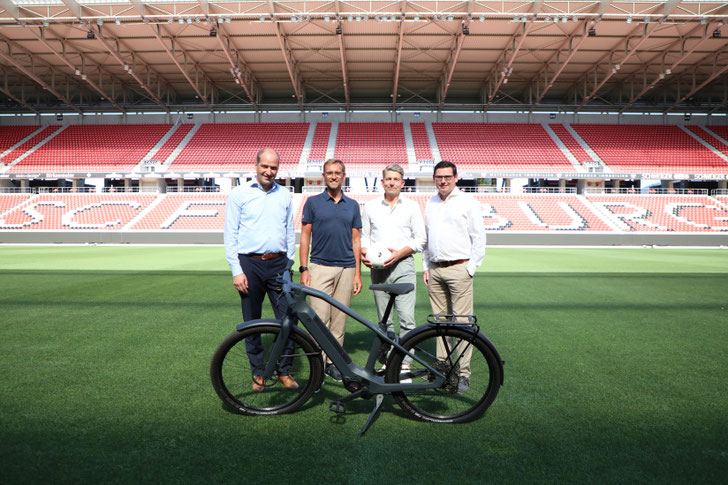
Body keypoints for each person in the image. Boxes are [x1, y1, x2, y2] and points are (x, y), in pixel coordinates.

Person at [224, 147, 298, 392]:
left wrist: (289, 262)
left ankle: (283, 370)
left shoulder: (285, 195)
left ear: (278, 169)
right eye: (264, 166)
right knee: (252, 321)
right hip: (250, 264)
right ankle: (258, 372)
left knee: (288, 319)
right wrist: (237, 269)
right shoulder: (238, 194)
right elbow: (230, 234)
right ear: (255, 166)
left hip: (279, 264)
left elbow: (289, 231)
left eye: (273, 167)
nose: (269, 171)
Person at [422, 161, 486, 394]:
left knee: (461, 323)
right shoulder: (430, 203)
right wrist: (426, 266)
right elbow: (427, 239)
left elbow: (479, 238)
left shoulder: (468, 202)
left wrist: (470, 269)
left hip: (459, 268)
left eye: (447, 176)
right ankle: (443, 368)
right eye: (439, 177)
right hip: (436, 270)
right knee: (439, 323)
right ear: (434, 178)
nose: (443, 181)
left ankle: (464, 374)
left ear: (456, 177)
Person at [299, 159, 362, 381]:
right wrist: (304, 268)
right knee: (318, 320)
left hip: (346, 269)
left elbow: (356, 240)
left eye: (337, 173)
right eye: (329, 173)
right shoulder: (312, 202)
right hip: (319, 267)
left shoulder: (352, 205)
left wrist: (357, 273)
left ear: (344, 176)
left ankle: (333, 363)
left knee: (339, 321)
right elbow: (305, 236)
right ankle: (317, 363)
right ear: (323, 176)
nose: (333, 176)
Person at [361, 164, 425, 374]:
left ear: (402, 183)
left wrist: (398, 253)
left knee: (406, 318)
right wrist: (365, 255)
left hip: (404, 265)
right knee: (384, 319)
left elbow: (420, 240)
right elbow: (365, 237)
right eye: (388, 179)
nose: (391, 182)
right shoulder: (370, 207)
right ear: (382, 182)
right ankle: (389, 357)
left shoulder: (412, 206)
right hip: (378, 269)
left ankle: (405, 361)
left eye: (396, 179)